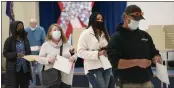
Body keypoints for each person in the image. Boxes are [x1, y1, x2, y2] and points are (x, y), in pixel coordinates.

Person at [107, 5, 162, 88]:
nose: (137, 22)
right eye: (135, 19)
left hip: (147, 83)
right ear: (125, 17)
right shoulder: (116, 38)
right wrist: (138, 62)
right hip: (126, 84)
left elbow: (154, 52)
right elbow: (115, 63)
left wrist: (157, 58)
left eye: (139, 20)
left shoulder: (145, 36)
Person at [77, 12, 112, 88]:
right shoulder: (85, 33)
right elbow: (80, 52)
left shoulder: (104, 33)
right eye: (98, 19)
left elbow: (110, 47)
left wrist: (108, 51)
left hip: (106, 66)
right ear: (92, 20)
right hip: (93, 67)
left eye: (101, 19)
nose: (100, 21)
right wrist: (97, 53)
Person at [37, 23, 76, 88]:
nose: (57, 32)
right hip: (52, 77)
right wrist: (48, 60)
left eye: (58, 30)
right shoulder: (45, 45)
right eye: (54, 30)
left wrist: (74, 58)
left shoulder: (67, 44)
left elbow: (75, 54)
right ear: (50, 33)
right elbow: (40, 59)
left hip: (66, 77)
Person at [3, 21, 32, 88]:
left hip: (25, 70)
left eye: (22, 26)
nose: (21, 28)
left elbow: (28, 51)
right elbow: (5, 53)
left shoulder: (25, 39)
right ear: (14, 28)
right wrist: (15, 55)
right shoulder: (9, 40)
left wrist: (32, 58)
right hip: (14, 70)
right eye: (19, 26)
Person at [25, 18, 46, 87]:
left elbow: (45, 41)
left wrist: (41, 47)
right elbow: (24, 41)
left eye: (34, 24)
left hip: (39, 55)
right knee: (31, 72)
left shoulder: (41, 30)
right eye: (31, 24)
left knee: (40, 72)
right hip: (30, 55)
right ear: (29, 24)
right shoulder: (26, 30)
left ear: (36, 24)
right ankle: (32, 86)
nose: (32, 25)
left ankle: (44, 86)